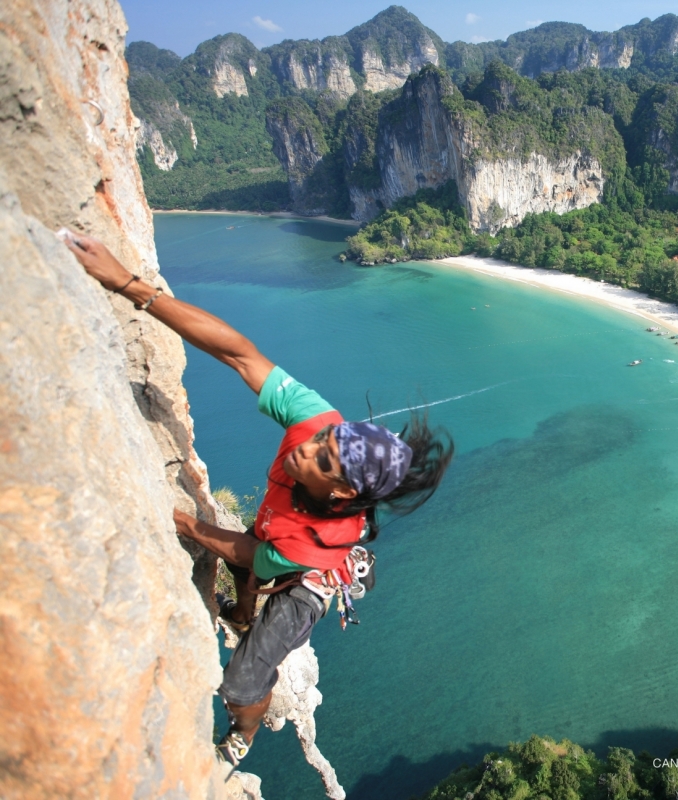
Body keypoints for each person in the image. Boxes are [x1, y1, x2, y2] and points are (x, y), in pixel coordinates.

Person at [63, 233, 453, 768]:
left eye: (321, 460)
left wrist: (175, 519)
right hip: (278, 536)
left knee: (242, 680)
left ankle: (243, 735)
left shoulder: (312, 542)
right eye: (323, 441)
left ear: (341, 491)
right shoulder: (317, 422)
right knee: (250, 573)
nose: (306, 448)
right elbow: (238, 354)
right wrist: (129, 286)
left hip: (306, 578)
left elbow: (248, 555)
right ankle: (242, 614)